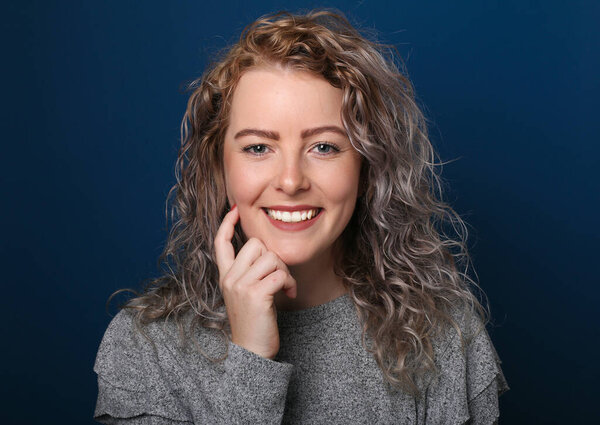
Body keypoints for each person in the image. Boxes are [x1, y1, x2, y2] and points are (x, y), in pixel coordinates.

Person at [94, 9, 509, 424]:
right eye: (258, 148)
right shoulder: (145, 347)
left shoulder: (444, 334)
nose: (291, 181)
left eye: (324, 147)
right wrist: (250, 361)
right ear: (220, 169)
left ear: (367, 167)